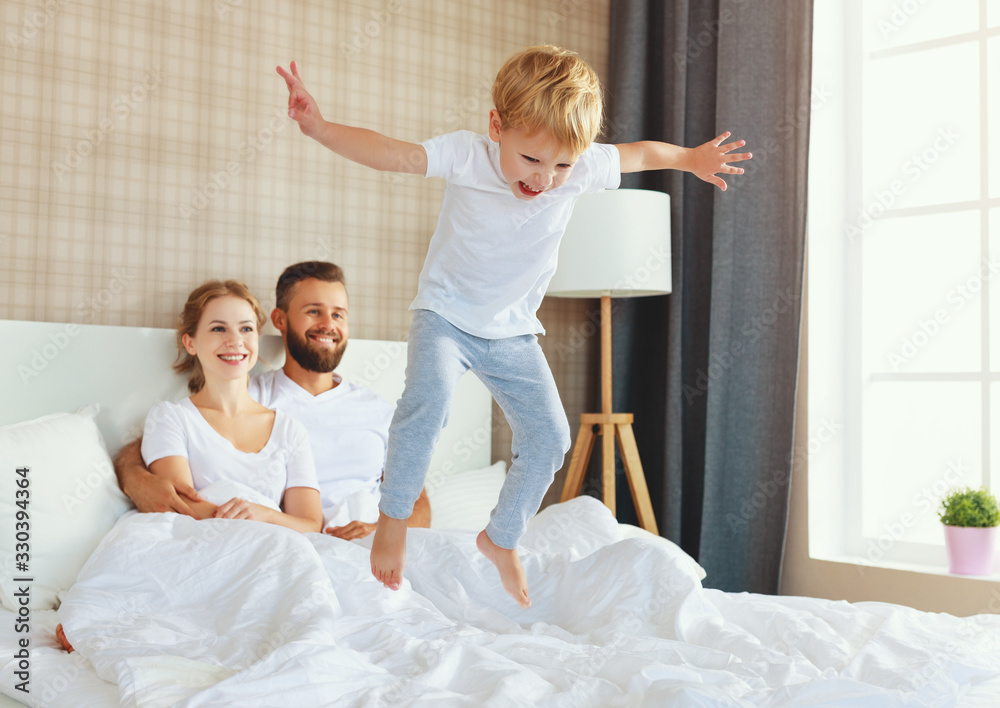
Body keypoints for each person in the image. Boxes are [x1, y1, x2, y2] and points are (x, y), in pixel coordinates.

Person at [277, 45, 752, 607]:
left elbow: (641, 152)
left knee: (551, 438)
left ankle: (500, 537)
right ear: (496, 127)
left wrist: (690, 160)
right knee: (428, 405)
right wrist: (320, 127)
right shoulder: (467, 155)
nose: (547, 179)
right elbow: (392, 155)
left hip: (511, 331)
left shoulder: (578, 168)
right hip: (446, 315)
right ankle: (394, 518)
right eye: (530, 160)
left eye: (562, 166)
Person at [114, 262, 431, 538]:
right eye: (313, 311)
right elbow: (158, 443)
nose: (328, 324)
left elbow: (417, 500)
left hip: (369, 539)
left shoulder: (378, 410)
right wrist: (134, 478)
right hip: (288, 539)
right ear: (279, 320)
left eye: (338, 314)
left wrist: (381, 532)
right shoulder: (248, 392)